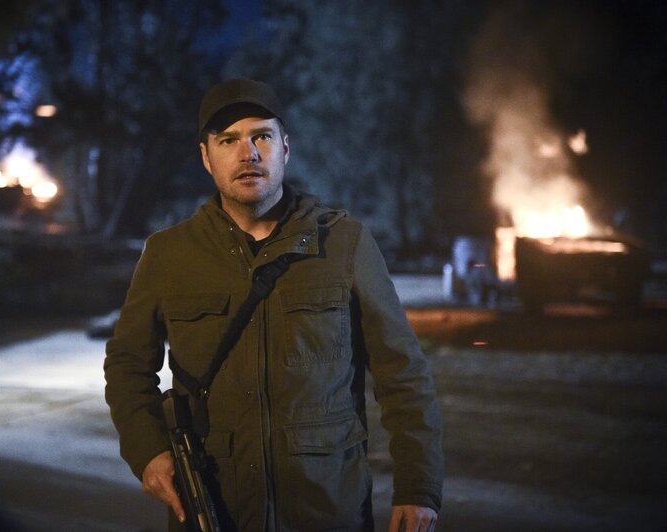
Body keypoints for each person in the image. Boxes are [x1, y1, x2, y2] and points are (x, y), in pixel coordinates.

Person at [104, 79, 443, 532]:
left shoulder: (343, 244)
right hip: (214, 508)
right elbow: (127, 365)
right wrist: (148, 451)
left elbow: (402, 373)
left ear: (285, 147)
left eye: (261, 136)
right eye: (228, 140)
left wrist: (418, 487)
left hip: (327, 511)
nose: (248, 154)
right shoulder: (169, 255)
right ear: (206, 157)